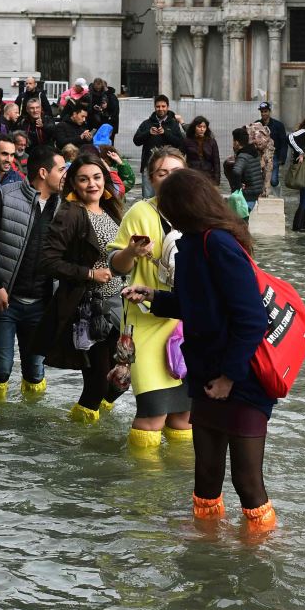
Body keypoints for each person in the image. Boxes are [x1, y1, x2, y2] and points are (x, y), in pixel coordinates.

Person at [122, 169, 276, 530]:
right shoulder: (190, 244)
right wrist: (156, 298)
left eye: (166, 203)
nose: (162, 210)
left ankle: (259, 552)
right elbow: (201, 304)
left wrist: (229, 378)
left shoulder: (218, 244)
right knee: (205, 477)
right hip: (205, 375)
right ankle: (207, 547)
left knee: (247, 481)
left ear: (183, 207)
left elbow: (252, 319)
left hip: (242, 379)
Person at [107, 147, 193, 451]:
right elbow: (115, 263)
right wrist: (132, 251)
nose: (170, 179)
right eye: (162, 173)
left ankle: (182, 484)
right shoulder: (140, 212)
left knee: (185, 416)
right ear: (151, 179)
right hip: (146, 320)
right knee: (152, 413)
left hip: (189, 324)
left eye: (177, 172)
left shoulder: (199, 212)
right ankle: (143, 489)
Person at [0, 145, 64, 401]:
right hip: (3, 302)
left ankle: (30, 424)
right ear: (43, 172)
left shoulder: (65, 207)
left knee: (35, 371)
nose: (66, 175)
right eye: (61, 169)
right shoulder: (5, 196)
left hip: (42, 304)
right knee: (1, 369)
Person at [37, 154, 126, 423]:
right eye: (84, 179)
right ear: (73, 184)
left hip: (119, 305)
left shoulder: (111, 208)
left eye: (97, 177)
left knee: (122, 380)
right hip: (90, 310)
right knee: (98, 383)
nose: (92, 184)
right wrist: (89, 273)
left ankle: (93, 422)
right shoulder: (71, 213)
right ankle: (80, 440)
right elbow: (48, 261)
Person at [131, 95, 185, 199]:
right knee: (147, 198)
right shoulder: (146, 123)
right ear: (155, 107)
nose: (160, 109)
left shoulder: (173, 124)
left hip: (167, 167)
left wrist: (165, 133)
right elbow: (136, 141)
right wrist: (148, 133)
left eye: (163, 106)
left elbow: (179, 143)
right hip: (148, 165)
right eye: (158, 106)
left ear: (167, 107)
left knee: (167, 197)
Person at [224, 128, 264, 212]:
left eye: (233, 141)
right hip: (255, 192)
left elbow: (236, 171)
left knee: (241, 221)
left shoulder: (243, 156)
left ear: (237, 142)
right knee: (243, 221)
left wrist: (238, 187)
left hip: (247, 195)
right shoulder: (252, 151)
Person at [256, 101, 289, 189]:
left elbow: (283, 142)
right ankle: (264, 193)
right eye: (262, 111)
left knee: (273, 181)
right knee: (261, 178)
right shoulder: (257, 124)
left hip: (274, 155)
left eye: (265, 111)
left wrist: (282, 158)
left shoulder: (279, 125)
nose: (263, 113)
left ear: (269, 111)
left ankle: (276, 187)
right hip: (260, 156)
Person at [183, 116, 221, 185]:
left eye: (204, 127)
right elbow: (180, 156)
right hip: (192, 174)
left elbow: (216, 162)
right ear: (194, 127)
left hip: (208, 175)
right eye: (199, 127)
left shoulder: (211, 141)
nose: (202, 129)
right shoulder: (187, 141)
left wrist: (217, 180)